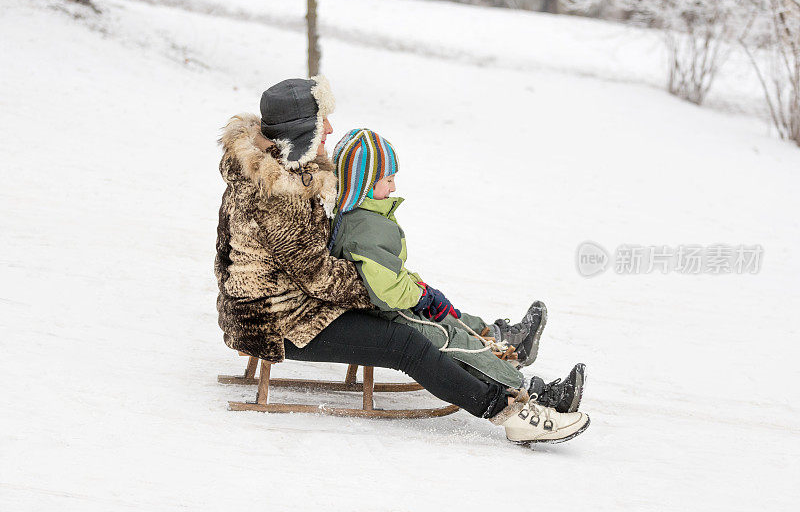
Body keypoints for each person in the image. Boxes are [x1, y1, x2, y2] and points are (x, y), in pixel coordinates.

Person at [214, 76, 590, 443]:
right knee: (404, 342)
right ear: (299, 133)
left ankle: (504, 361)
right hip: (276, 322)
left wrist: (397, 285)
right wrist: (382, 287)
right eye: (320, 121)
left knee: (406, 306)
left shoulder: (286, 174)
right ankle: (506, 412)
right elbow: (318, 275)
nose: (329, 127)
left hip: (297, 303)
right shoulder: (275, 195)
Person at [327, 127, 585, 411]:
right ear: (365, 183)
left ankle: (501, 340)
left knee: (448, 320)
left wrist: (423, 291)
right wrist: (420, 296)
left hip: (386, 305)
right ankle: (529, 392)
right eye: (388, 179)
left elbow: (387, 276)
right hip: (381, 313)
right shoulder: (363, 227)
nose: (394, 187)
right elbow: (387, 289)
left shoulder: (366, 218)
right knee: (449, 340)